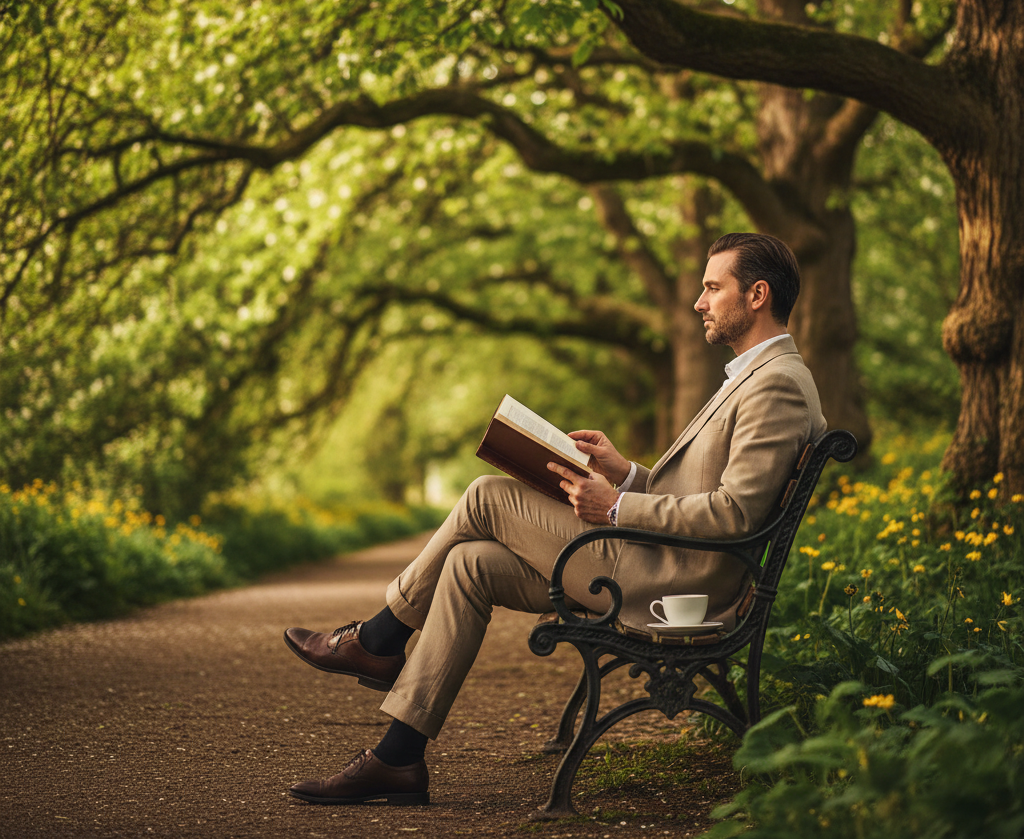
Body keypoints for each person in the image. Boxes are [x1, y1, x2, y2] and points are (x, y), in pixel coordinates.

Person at [284, 232, 826, 806]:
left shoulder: (777, 386)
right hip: (656, 558)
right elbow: (703, 492)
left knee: (487, 495)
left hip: (672, 581)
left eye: (713, 288)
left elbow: (735, 514)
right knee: (470, 564)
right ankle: (397, 757)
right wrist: (625, 472)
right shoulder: (756, 375)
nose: (699, 302)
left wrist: (615, 506)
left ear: (757, 294)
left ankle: (376, 638)